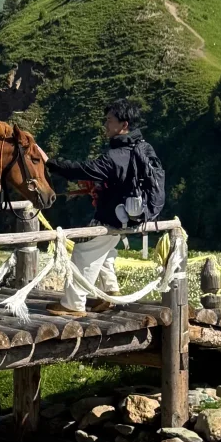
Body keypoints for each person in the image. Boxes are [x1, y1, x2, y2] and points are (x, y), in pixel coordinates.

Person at [44, 98, 165, 316]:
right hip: (134, 215)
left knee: (84, 252)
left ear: (124, 125)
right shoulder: (144, 148)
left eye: (109, 120)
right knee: (106, 251)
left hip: (113, 217)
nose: (105, 124)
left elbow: (81, 169)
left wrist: (49, 163)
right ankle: (109, 293)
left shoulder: (115, 157)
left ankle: (73, 305)